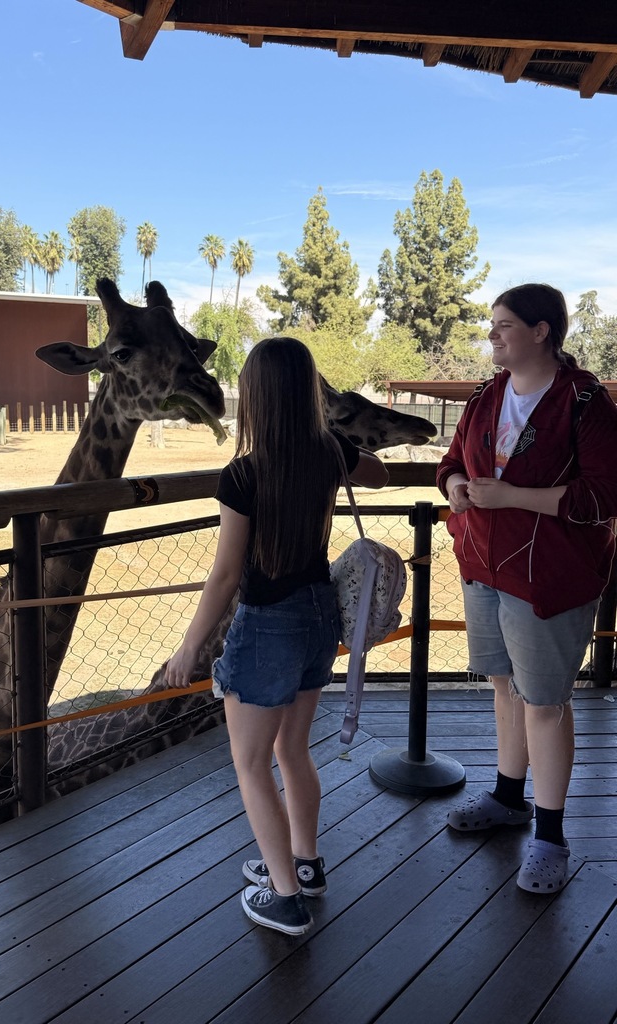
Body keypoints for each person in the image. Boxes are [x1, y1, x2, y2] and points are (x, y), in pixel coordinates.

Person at [164, 337, 388, 935]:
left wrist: (188, 648)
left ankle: (283, 895)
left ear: (258, 397)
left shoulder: (243, 474)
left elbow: (226, 575)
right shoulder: (331, 451)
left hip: (268, 625)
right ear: (309, 392)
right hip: (319, 617)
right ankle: (306, 865)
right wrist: (339, 435)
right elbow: (382, 470)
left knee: (252, 765)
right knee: (292, 752)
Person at [436, 283, 617, 893]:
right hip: (484, 566)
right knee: (504, 686)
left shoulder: (585, 401)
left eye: (504, 325)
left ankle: (550, 834)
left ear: (542, 331)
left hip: (551, 578)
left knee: (544, 702)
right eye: (494, 325)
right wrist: (458, 484)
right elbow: (450, 464)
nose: (493, 335)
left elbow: (603, 497)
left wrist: (512, 496)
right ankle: (509, 797)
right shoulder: (487, 396)